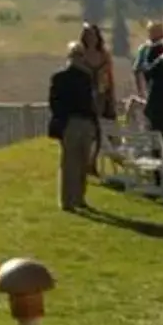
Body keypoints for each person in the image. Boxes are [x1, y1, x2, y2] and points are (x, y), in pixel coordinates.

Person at [47, 25, 115, 212]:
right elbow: (55, 103)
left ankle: (79, 198)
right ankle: (67, 200)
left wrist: (94, 124)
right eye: (75, 55)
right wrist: (62, 121)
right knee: (69, 163)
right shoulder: (60, 78)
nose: (78, 59)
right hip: (70, 123)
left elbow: (91, 102)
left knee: (83, 163)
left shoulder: (85, 78)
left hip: (85, 123)